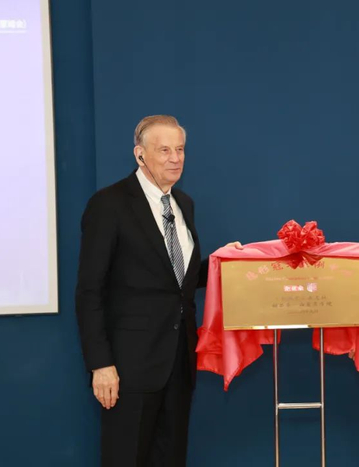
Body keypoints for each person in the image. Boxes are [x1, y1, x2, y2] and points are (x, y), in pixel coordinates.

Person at [75, 115, 234, 466]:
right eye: (164, 150)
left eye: (180, 149)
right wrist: (101, 364)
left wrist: (221, 263)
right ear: (140, 154)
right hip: (128, 368)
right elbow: (89, 291)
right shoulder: (109, 204)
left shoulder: (183, 204)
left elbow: (176, 281)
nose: (175, 158)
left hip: (179, 362)